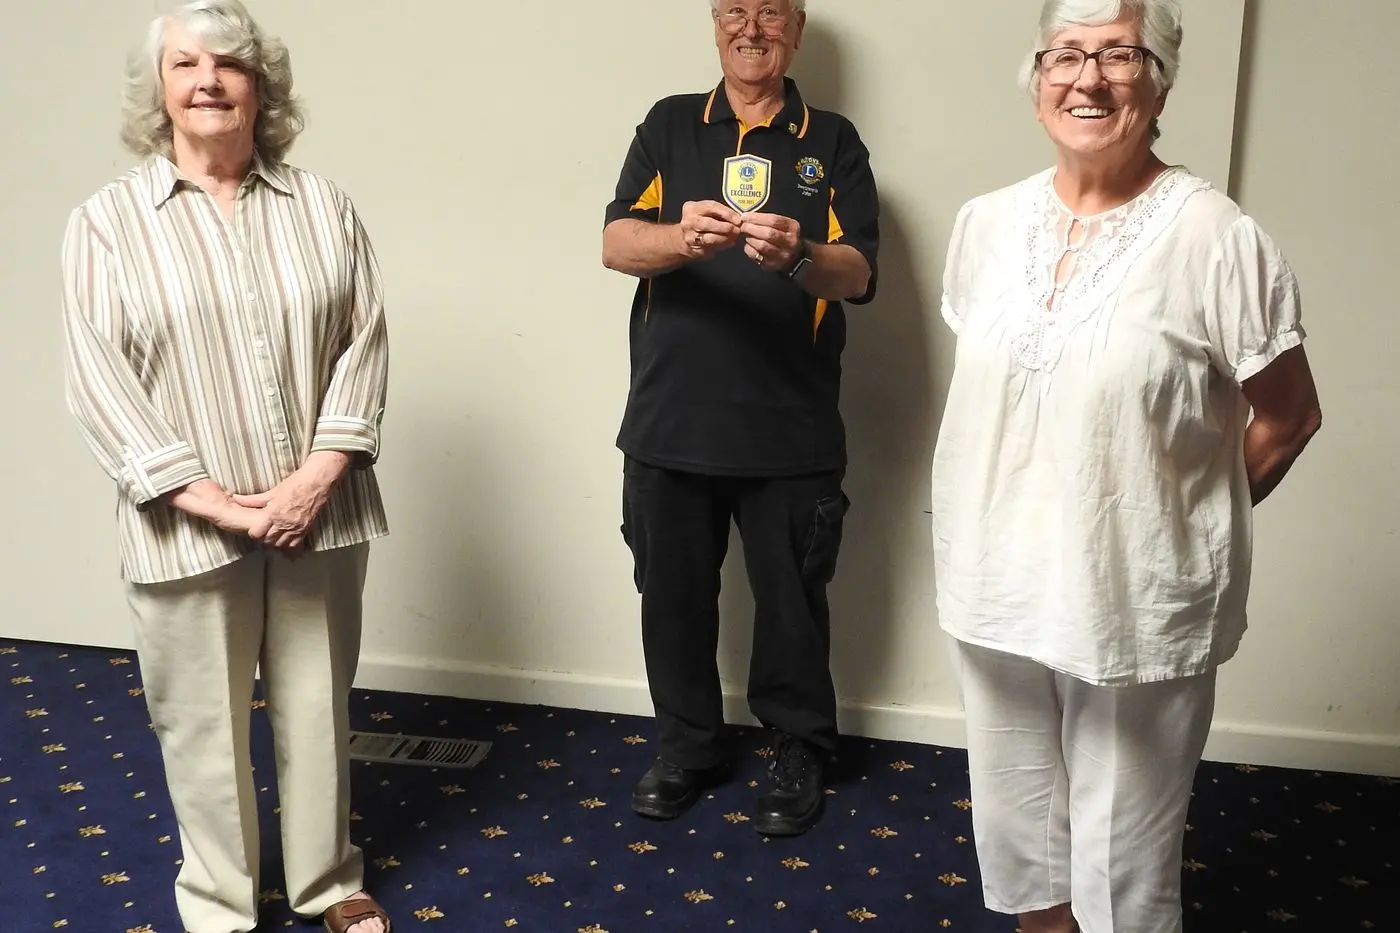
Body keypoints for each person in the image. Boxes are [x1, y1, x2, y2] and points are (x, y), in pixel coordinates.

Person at [930, 0, 1322, 930]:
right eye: (1065, 55)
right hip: (994, 580)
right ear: (1036, 83)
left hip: (1133, 598)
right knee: (1021, 823)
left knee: (1125, 860)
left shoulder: (1215, 237)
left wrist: (1179, 522)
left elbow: (1291, 415)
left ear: (1160, 80)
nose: (1089, 78)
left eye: (1118, 54)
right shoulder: (985, 225)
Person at [60, 2, 392, 931]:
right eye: (184, 64)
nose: (208, 80)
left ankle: (328, 880)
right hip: (181, 520)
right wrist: (220, 504)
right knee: (200, 723)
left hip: (318, 512)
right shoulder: (107, 223)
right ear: (158, 89)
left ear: (261, 84)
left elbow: (364, 344)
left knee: (317, 707)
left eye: (229, 64)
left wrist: (313, 481)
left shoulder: (325, 205)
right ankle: (219, 903)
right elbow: (99, 379)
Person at [601, 0, 879, 836]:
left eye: (771, 13)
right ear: (715, 25)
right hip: (669, 419)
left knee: (793, 601)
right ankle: (689, 744)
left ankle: (798, 744)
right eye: (734, 11)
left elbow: (859, 272)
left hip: (789, 428)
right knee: (671, 596)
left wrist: (797, 254)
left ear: (795, 32)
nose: (750, 27)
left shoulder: (832, 138)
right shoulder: (669, 124)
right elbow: (616, 242)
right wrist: (682, 240)